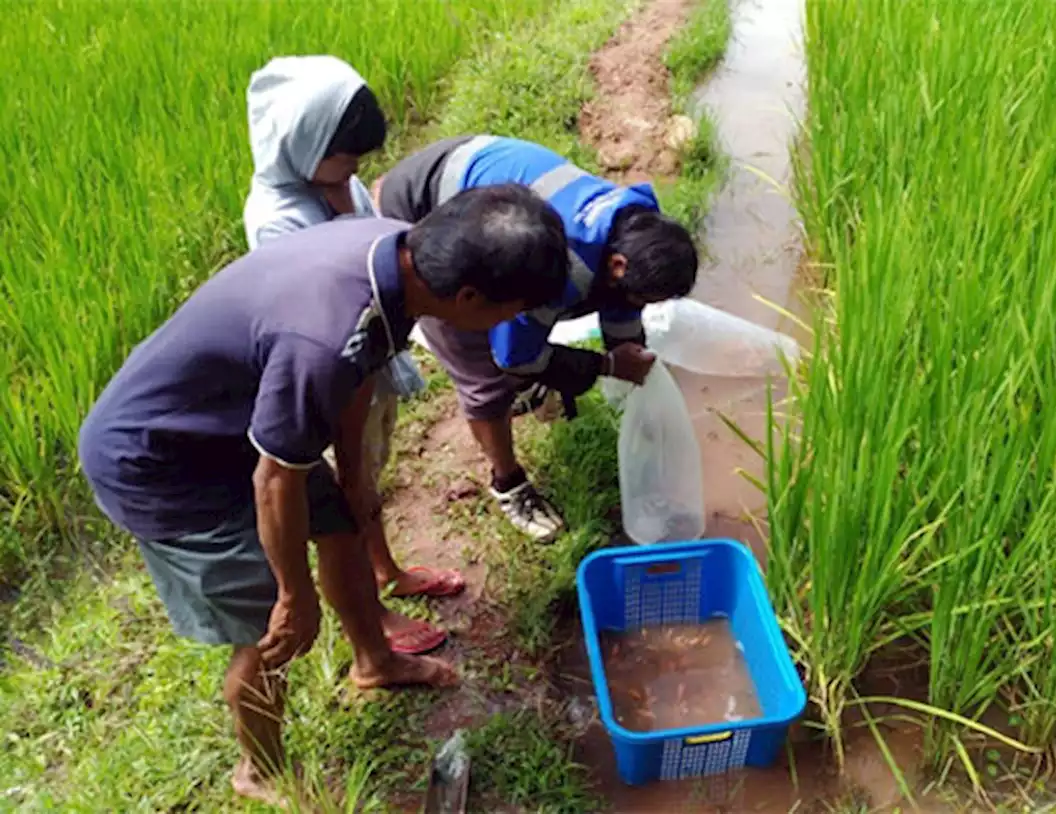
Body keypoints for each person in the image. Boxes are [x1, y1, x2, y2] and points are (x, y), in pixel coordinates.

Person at [78, 185, 569, 806]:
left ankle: (375, 661)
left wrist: (355, 474)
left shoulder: (397, 257)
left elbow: (358, 363)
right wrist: (293, 592)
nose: (506, 325)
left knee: (341, 520)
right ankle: (258, 770)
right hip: (162, 461)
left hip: (238, 421)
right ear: (468, 296)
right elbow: (276, 476)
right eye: (509, 311)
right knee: (270, 631)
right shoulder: (328, 331)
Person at [374, 135, 698, 542]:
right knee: (486, 375)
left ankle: (530, 391)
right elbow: (513, 356)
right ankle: (509, 485)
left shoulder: (634, 223)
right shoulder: (563, 268)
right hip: (423, 208)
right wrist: (608, 366)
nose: (641, 304)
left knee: (534, 344)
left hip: (480, 177)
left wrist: (629, 358)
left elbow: (622, 305)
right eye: (644, 297)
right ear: (617, 265)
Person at [243, 55, 457, 654]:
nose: (355, 171)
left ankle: (385, 567)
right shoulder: (278, 220)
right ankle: (373, 610)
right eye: (344, 158)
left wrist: (343, 193)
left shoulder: (337, 182)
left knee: (368, 482)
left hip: (367, 363)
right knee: (346, 496)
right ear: (303, 144)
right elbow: (327, 323)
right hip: (329, 380)